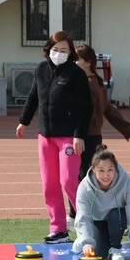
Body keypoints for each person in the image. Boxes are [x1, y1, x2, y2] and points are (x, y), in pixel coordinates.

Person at [16, 31, 92, 244]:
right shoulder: (40, 70)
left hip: (68, 137)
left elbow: (85, 107)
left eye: (64, 50)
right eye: (55, 49)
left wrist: (79, 135)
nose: (59, 53)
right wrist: (24, 121)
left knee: (68, 180)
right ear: (48, 49)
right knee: (49, 184)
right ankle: (58, 229)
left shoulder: (76, 74)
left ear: (71, 52)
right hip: (45, 136)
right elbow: (33, 96)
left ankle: (90, 223)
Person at [67, 44, 130, 220]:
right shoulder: (92, 81)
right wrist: (126, 130)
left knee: (84, 176)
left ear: (88, 62)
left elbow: (106, 109)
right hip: (88, 134)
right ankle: (80, 212)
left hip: (86, 135)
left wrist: (127, 129)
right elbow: (108, 109)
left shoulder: (90, 83)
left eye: (77, 59)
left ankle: (81, 213)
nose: (74, 62)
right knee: (82, 175)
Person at [73, 145, 130, 260]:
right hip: (97, 221)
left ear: (115, 169)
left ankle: (115, 249)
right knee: (98, 253)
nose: (106, 175)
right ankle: (81, 240)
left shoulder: (126, 181)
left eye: (110, 170)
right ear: (93, 169)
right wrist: (87, 243)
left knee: (118, 214)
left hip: (117, 219)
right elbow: (83, 217)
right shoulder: (84, 188)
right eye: (101, 170)